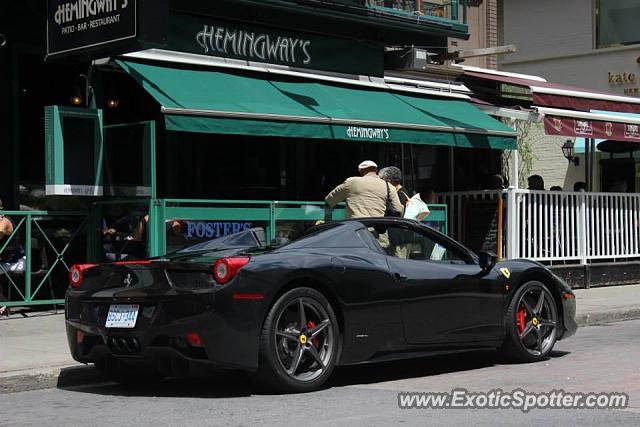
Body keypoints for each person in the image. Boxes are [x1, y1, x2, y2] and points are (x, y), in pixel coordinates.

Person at [325, 160, 403, 219]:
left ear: (361, 171)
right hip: (379, 229)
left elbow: (329, 200)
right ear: (376, 170)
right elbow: (398, 209)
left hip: (356, 229)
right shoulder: (389, 186)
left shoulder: (351, 182)